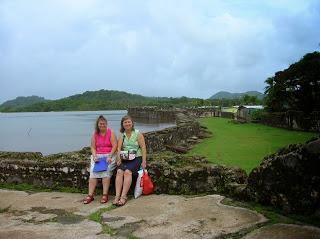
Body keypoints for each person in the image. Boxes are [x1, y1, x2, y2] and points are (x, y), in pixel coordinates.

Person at [83, 115, 117, 204]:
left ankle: (105, 194)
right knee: (93, 173)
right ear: (97, 125)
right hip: (98, 156)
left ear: (106, 124)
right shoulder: (95, 134)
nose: (102, 125)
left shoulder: (111, 132)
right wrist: (94, 156)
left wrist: (109, 156)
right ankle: (90, 195)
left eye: (104, 124)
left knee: (106, 172)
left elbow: (115, 146)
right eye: (101, 124)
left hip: (109, 155)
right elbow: (93, 147)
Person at [113, 115, 147, 206]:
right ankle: (117, 196)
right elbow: (119, 148)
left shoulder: (138, 134)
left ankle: (123, 196)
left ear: (132, 123)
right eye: (125, 122)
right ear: (122, 124)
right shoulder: (122, 135)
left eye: (129, 122)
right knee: (119, 171)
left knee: (127, 172)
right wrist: (119, 158)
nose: (127, 124)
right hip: (125, 157)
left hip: (136, 158)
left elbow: (143, 147)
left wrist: (144, 161)